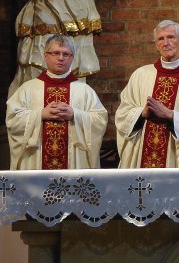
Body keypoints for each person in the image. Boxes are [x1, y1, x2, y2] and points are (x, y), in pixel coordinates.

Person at [115, 20, 179, 168]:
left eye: (171, 37)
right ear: (156, 44)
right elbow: (122, 114)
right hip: (141, 155)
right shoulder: (140, 75)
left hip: (176, 157)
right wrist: (141, 113)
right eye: (161, 39)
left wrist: (171, 115)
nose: (166, 43)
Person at [5, 34, 107, 170]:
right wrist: (40, 114)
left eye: (66, 54)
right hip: (36, 161)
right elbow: (12, 119)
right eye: (56, 53)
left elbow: (100, 120)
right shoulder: (28, 88)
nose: (61, 58)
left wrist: (75, 115)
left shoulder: (84, 90)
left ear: (72, 59)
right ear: (45, 56)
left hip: (73, 165)